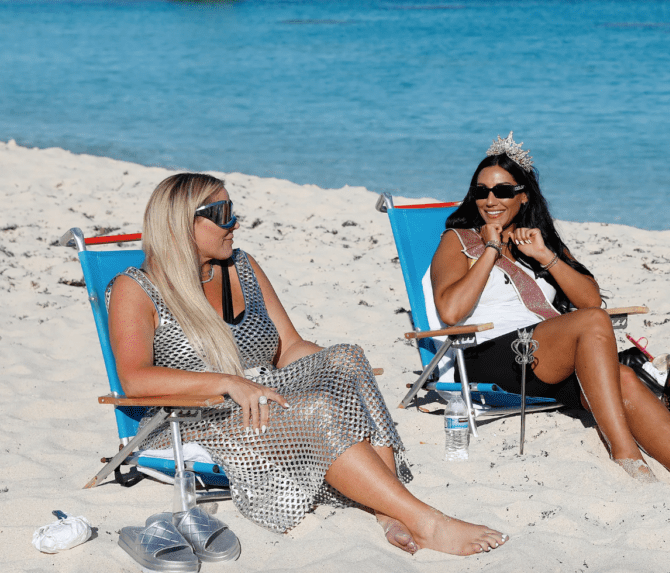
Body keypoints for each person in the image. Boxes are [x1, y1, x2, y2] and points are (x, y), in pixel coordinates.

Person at [108, 173, 506, 556]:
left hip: (266, 401)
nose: (235, 222)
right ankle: (425, 520)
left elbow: (289, 346)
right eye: (222, 212)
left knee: (346, 358)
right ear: (182, 223)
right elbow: (133, 379)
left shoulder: (241, 267)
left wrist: (339, 371)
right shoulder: (137, 288)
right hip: (197, 419)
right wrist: (228, 382)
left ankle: (389, 510)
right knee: (317, 407)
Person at [428, 133, 670, 488]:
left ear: (523, 196)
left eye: (503, 191)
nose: (491, 200)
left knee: (624, 378)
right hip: (490, 356)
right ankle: (624, 451)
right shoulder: (458, 240)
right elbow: (450, 310)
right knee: (594, 325)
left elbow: (589, 300)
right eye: (481, 191)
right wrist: (490, 249)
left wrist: (544, 256)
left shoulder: (534, 240)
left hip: (546, 357)